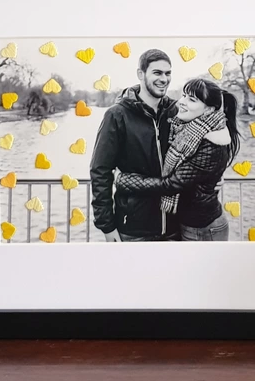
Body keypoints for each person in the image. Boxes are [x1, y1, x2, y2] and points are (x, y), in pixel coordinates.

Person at [114, 78, 240, 241]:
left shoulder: (211, 143)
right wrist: (129, 95)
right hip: (189, 223)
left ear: (209, 109)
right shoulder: (188, 129)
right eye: (184, 96)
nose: (182, 102)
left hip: (203, 228)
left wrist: (123, 180)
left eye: (192, 99)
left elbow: (172, 184)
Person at [90, 49, 178, 242]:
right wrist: (107, 226)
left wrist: (214, 177)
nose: (164, 79)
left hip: (176, 227)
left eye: (168, 73)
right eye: (157, 72)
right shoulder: (117, 115)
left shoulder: (177, 111)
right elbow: (100, 170)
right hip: (133, 230)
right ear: (141, 74)